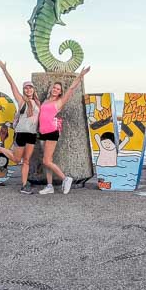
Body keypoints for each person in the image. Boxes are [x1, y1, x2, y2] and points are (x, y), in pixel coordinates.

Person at [37, 66, 91, 195]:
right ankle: (49, 186)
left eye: (58, 89)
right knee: (47, 161)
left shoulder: (59, 102)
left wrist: (81, 75)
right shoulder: (45, 100)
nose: (56, 90)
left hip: (51, 132)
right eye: (54, 88)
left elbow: (71, 88)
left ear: (60, 92)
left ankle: (65, 178)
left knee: (46, 161)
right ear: (51, 89)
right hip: (42, 132)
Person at [0, 60, 41, 193]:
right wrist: (5, 70)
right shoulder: (21, 101)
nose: (28, 89)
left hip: (32, 135)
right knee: (16, 159)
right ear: (24, 90)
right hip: (21, 133)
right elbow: (12, 84)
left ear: (33, 89)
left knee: (26, 160)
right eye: (26, 88)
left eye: (30, 87)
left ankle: (24, 185)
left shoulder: (38, 103)